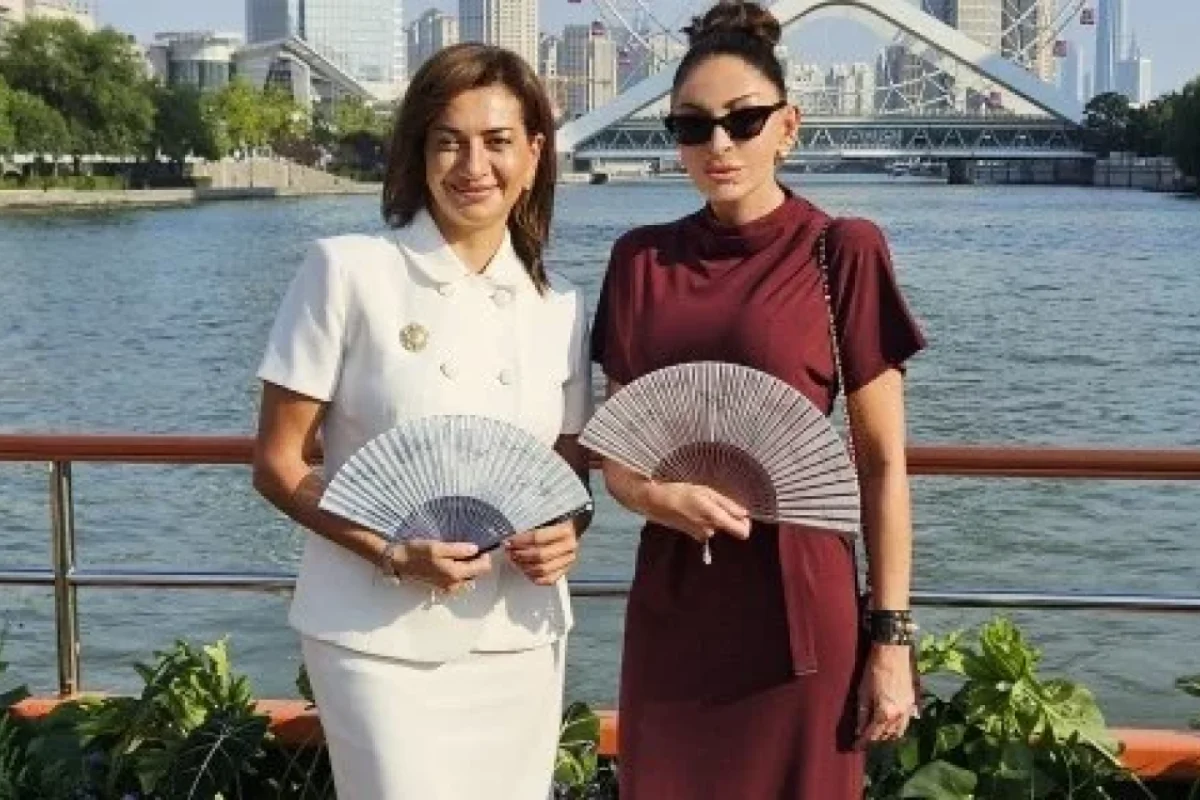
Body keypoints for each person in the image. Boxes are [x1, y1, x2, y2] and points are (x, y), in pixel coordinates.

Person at [589, 2, 927, 797]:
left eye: (744, 121)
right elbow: (617, 455)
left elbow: (881, 465)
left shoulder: (841, 250)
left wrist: (890, 640)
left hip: (801, 606)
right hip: (675, 602)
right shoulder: (639, 260)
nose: (719, 145)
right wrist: (654, 496)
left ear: (788, 127)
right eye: (692, 126)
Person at [252, 43, 593, 800]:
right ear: (419, 152)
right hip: (374, 634)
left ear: (534, 155)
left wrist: (568, 532)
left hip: (519, 631)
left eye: (497, 141)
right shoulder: (346, 271)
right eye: (449, 141)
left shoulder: (561, 304)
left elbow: (566, 475)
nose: (474, 166)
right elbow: (277, 464)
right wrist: (391, 552)